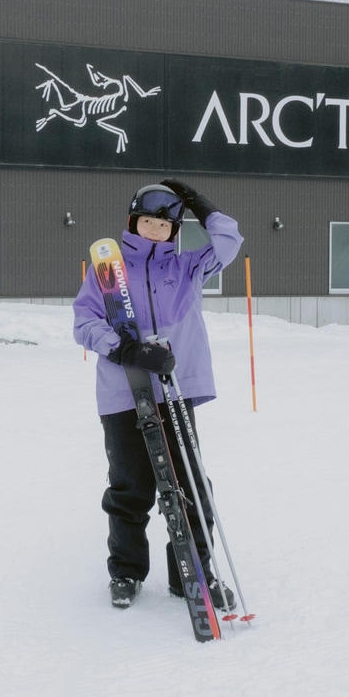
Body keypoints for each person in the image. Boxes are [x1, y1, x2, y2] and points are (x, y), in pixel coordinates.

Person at [73, 179, 243, 610]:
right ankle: (126, 572)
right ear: (133, 222)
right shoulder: (107, 270)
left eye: (164, 225)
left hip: (174, 389)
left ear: (175, 230)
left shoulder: (188, 268)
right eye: (147, 222)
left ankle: (194, 573)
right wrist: (124, 349)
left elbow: (228, 241)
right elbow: (84, 322)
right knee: (130, 487)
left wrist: (200, 205)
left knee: (190, 485)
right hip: (123, 393)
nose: (154, 230)